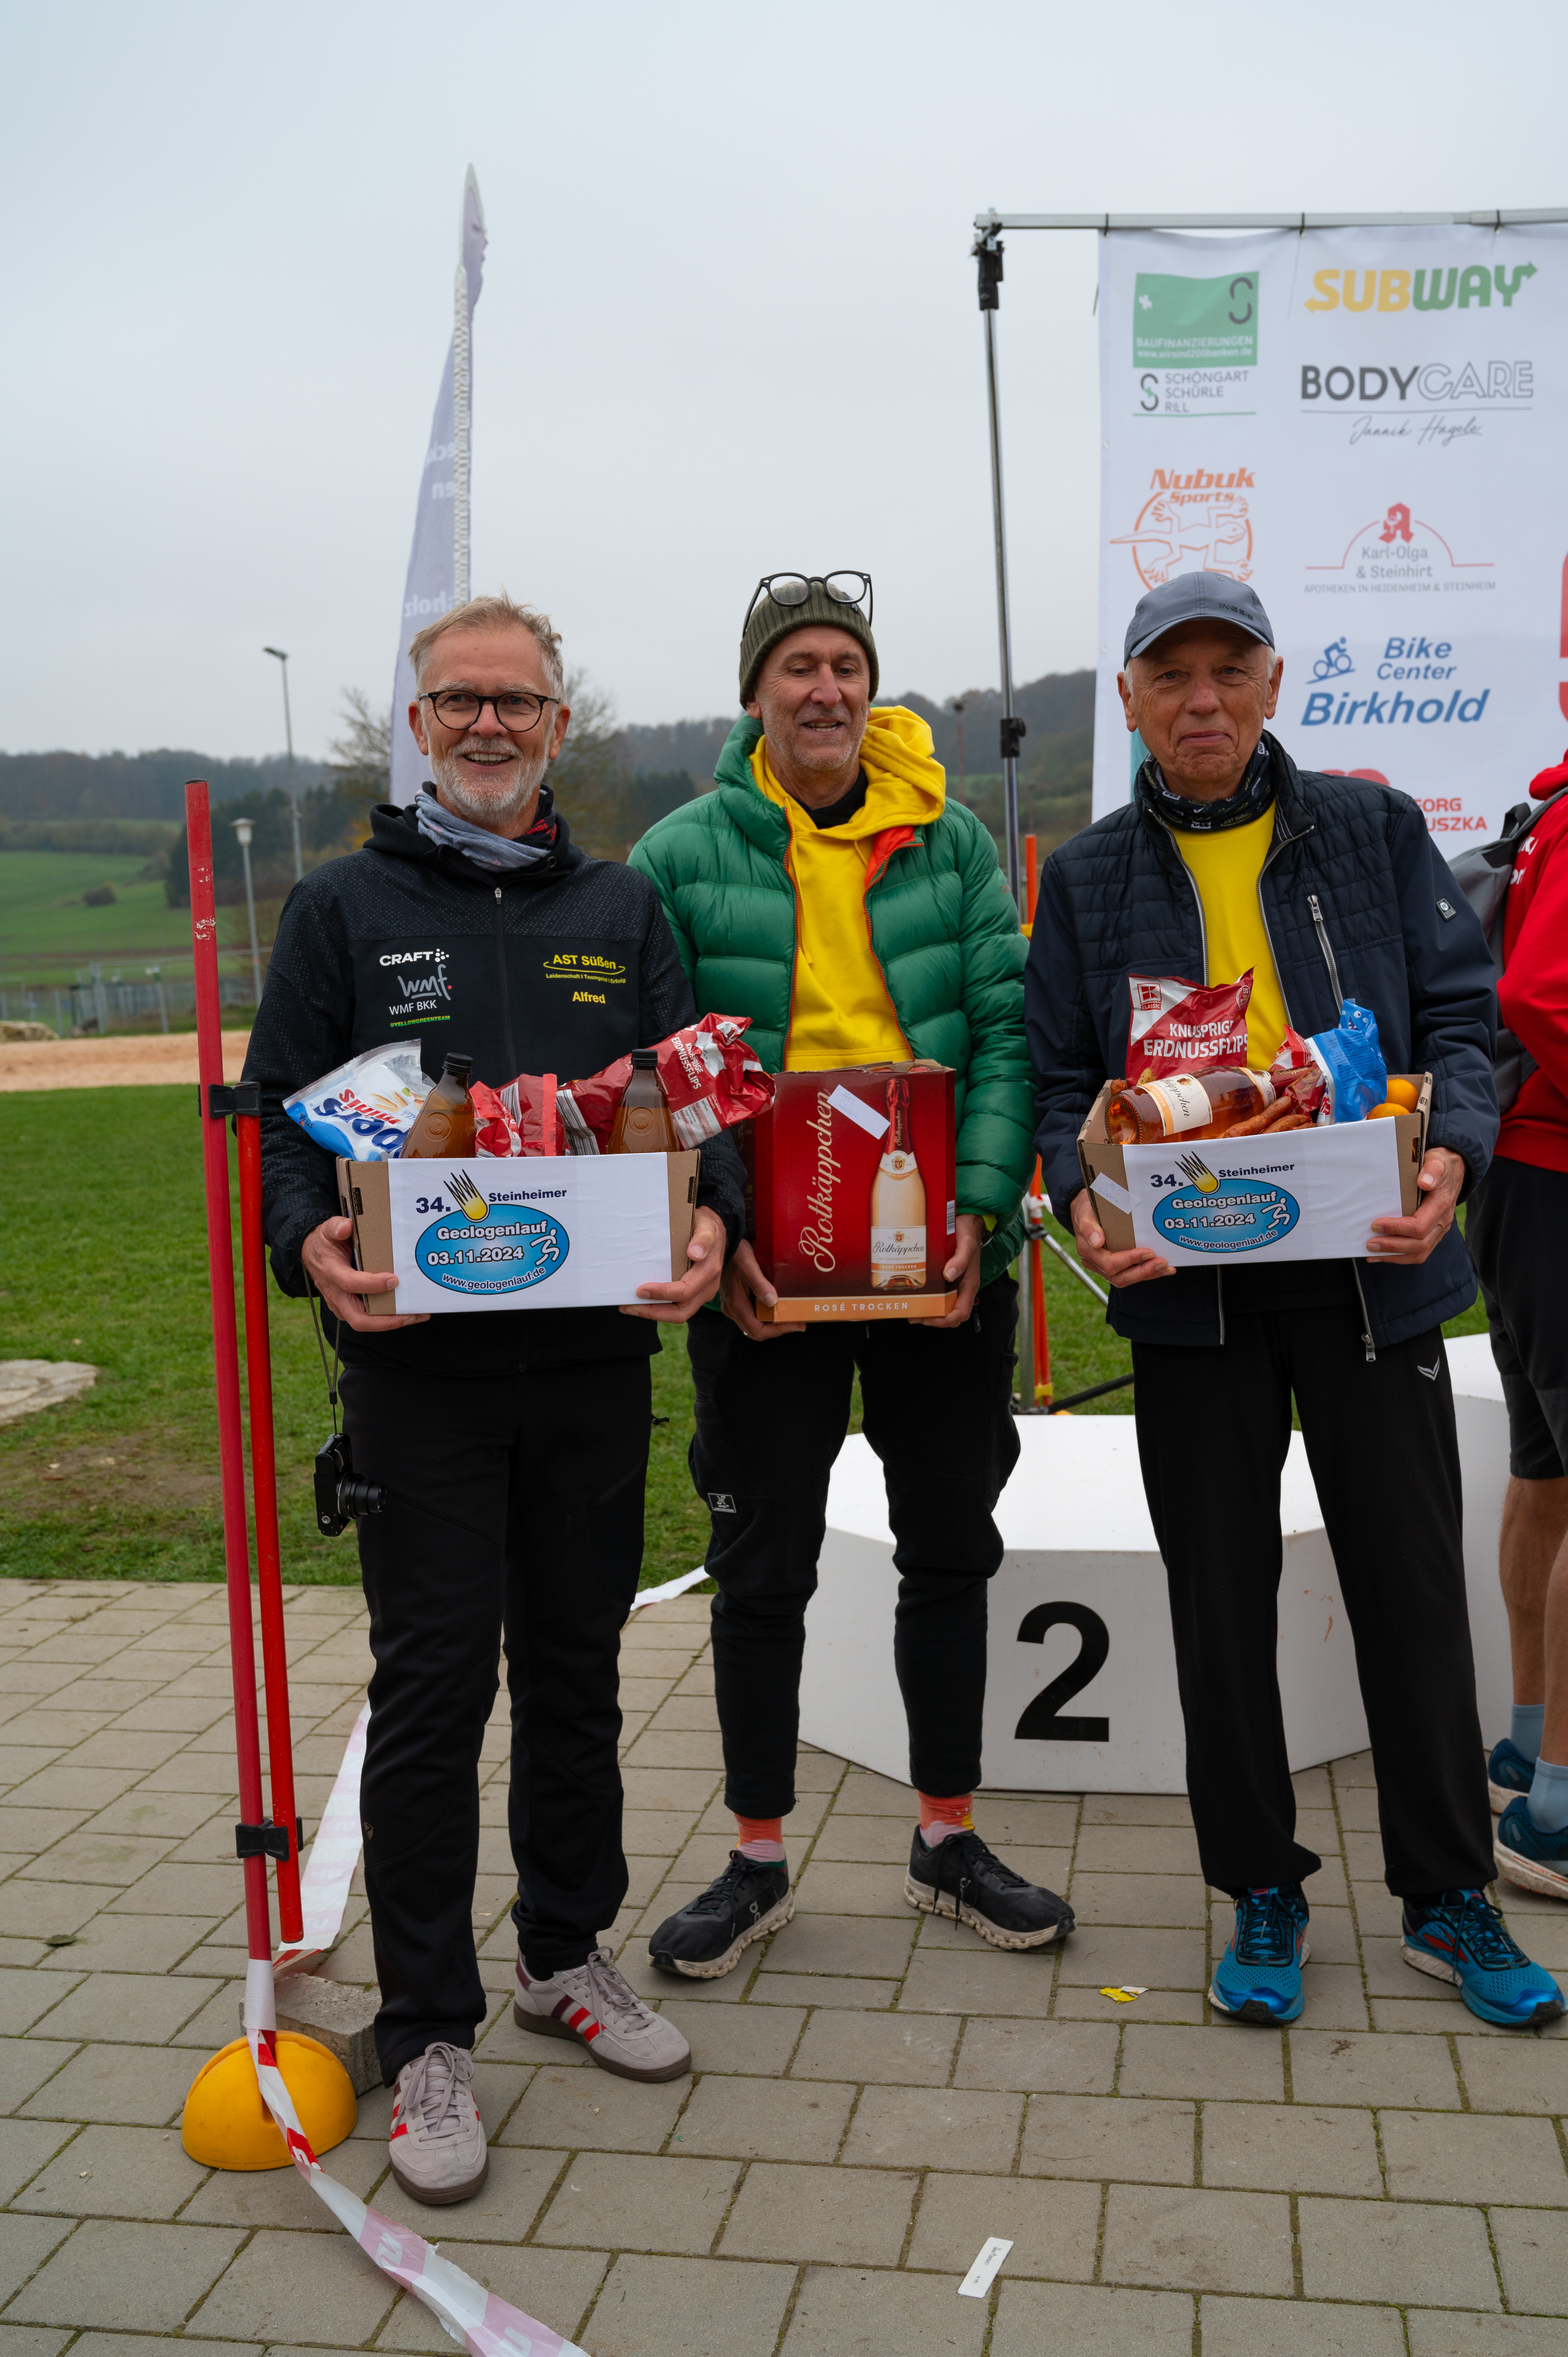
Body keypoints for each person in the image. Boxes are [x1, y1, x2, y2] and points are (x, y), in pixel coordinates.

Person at [246, 594, 744, 2204]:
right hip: (421, 1381)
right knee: (436, 1692)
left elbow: (694, 1103)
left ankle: (561, 1956)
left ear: (556, 726)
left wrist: (716, 1223)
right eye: (457, 701)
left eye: (513, 702)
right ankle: (425, 2029)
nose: (485, 724)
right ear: (418, 724)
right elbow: (283, 1122)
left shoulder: (619, 903)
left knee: (580, 1678)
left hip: (593, 1366)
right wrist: (307, 1242)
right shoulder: (342, 907)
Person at [1026, 569, 1563, 2030]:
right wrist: (1084, 1198)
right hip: (1191, 1294)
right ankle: (1261, 1886)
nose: (1201, 700)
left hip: (1373, 1272)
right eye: (1171, 675)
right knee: (1220, 1603)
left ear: (1274, 684)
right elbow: (1062, 1084)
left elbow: (1463, 1023)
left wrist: (1452, 1154)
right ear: (1130, 699)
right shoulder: (1088, 878)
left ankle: (1449, 1896)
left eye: (1229, 671)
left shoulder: (1372, 831)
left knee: (1410, 1594)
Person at [627, 571, 1073, 1977]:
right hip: (767, 1262)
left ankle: (948, 1838)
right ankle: (757, 1859)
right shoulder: (677, 856)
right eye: (800, 667)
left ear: (870, 689)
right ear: (755, 692)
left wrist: (984, 1210)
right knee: (762, 1567)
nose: (826, 690)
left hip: (934, 1251)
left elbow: (1003, 1029)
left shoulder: (950, 839)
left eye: (847, 667)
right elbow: (661, 1073)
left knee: (949, 1545)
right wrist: (721, 1229)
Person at [1464, 751, 1568, 1899]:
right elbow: (1537, 993)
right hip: (1555, 1176)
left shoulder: (1553, 805)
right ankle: (1556, 1817)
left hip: (1524, 1181)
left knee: (1546, 1476)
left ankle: (1529, 1753)